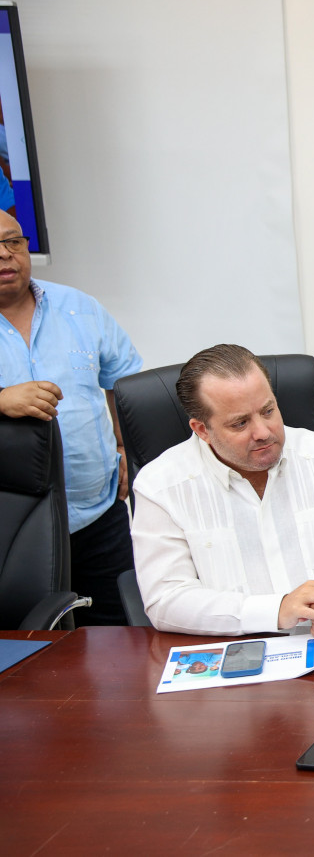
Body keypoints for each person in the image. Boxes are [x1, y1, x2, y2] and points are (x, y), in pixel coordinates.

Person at [130, 344, 314, 637]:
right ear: (202, 429)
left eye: (268, 411)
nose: (263, 432)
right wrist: (277, 610)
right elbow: (166, 599)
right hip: (236, 654)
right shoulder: (160, 486)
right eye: (240, 423)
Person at [0, 212, 142, 624]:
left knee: (119, 636)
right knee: (29, 646)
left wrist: (124, 447)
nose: (6, 255)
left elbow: (124, 381)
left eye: (13, 242)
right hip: (11, 531)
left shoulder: (79, 308)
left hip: (99, 513)